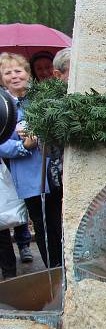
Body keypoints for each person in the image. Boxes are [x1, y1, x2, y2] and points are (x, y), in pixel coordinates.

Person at [0, 53, 59, 269]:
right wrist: (22, 147)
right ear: (1, 78)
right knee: (43, 227)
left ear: (27, 73)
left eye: (18, 71)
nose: (14, 76)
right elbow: (1, 144)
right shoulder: (3, 106)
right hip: (29, 176)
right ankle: (54, 271)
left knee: (58, 223)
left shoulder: (42, 97)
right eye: (8, 73)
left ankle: (68, 269)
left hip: (55, 171)